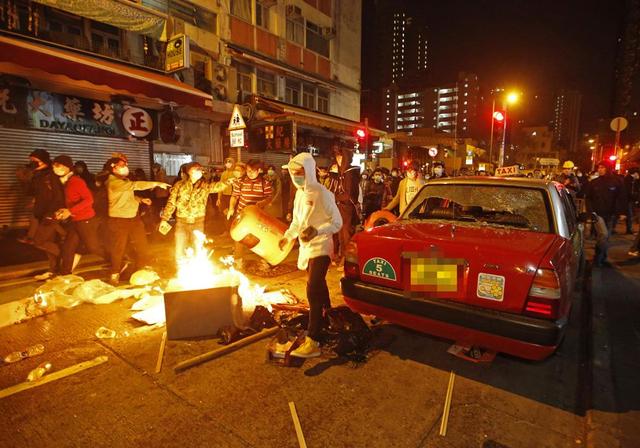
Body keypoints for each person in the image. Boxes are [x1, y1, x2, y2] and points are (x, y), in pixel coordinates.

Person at [279, 152, 342, 358]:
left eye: (299, 172)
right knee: (319, 286)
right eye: (293, 172)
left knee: (312, 289)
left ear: (309, 171)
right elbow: (297, 223)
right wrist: (288, 237)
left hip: (322, 247)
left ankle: (313, 339)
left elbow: (337, 223)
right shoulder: (299, 194)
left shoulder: (323, 193)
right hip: (307, 248)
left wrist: (318, 230)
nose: (296, 176)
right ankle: (328, 317)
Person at [105, 156, 170, 284]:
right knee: (119, 248)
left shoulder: (123, 181)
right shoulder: (113, 182)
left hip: (133, 218)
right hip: (119, 220)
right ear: (114, 168)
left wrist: (140, 200)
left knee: (142, 245)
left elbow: (128, 194)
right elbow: (135, 186)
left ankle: (143, 269)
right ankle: (114, 274)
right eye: (122, 165)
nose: (126, 167)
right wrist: (156, 183)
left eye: (125, 164)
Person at [51, 155, 108, 275]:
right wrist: (62, 211)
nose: (55, 168)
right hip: (75, 220)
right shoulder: (64, 182)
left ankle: (119, 261)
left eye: (58, 165)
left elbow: (89, 200)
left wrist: (70, 211)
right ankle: (65, 275)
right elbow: (70, 201)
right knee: (68, 247)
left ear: (67, 167)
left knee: (94, 248)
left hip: (86, 220)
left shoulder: (76, 181)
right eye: (54, 165)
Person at [160, 162, 228, 260]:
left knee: (198, 248)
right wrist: (164, 218)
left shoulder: (204, 185)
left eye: (201, 169)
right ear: (190, 172)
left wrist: (228, 182)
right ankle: (181, 269)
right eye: (198, 169)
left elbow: (217, 187)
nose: (201, 171)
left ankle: (197, 270)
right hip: (181, 222)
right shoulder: (179, 185)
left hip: (198, 221)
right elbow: (171, 202)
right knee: (180, 248)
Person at [23, 149, 67, 279]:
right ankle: (54, 269)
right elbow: (30, 192)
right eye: (31, 161)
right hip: (41, 214)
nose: (33, 163)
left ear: (44, 160)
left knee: (38, 241)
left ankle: (67, 256)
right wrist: (27, 178)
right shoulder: (37, 175)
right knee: (48, 241)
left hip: (51, 214)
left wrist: (50, 214)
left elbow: (59, 197)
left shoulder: (51, 175)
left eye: (35, 161)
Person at [227, 159, 272, 267]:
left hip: (258, 217)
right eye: (248, 171)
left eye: (252, 171)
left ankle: (266, 260)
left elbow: (269, 197)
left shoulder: (265, 183)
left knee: (262, 238)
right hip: (242, 215)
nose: (250, 173)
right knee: (239, 237)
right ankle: (238, 260)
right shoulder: (240, 182)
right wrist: (231, 208)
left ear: (259, 171)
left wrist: (262, 203)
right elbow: (234, 196)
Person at [327, 142, 360, 264]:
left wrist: (334, 197)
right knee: (340, 235)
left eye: (340, 157)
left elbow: (348, 195)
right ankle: (342, 257)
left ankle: (349, 261)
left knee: (346, 236)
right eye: (337, 157)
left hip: (347, 209)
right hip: (340, 208)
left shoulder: (350, 173)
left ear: (345, 158)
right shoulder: (342, 174)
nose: (338, 160)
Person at [584, 161, 626, 236]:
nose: (599, 170)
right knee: (602, 234)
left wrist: (622, 212)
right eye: (599, 168)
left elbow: (622, 197)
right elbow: (588, 197)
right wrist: (590, 211)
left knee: (606, 235)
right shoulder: (594, 182)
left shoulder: (617, 182)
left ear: (608, 168)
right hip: (597, 213)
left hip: (611, 214)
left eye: (602, 167)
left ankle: (600, 247)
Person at [217, 157, 236, 228]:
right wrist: (219, 198)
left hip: (234, 197)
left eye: (230, 162)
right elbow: (220, 186)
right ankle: (227, 230)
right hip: (225, 196)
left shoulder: (236, 173)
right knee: (225, 213)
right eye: (226, 162)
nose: (228, 163)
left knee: (233, 214)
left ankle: (233, 231)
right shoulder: (224, 174)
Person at [623, 169, 639, 235]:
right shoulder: (630, 180)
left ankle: (629, 229)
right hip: (628, 200)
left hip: (628, 200)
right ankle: (629, 229)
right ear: (635, 173)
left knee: (630, 215)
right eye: (638, 174)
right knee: (630, 215)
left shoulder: (629, 179)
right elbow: (630, 192)